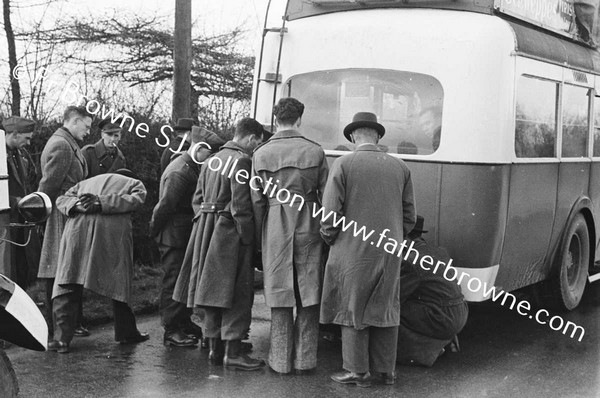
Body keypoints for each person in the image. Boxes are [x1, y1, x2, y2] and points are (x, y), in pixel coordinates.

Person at [320, 111, 416, 387]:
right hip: (390, 248)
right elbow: (409, 215)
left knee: (352, 305)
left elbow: (330, 214)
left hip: (351, 248)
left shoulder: (343, 165)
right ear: (378, 137)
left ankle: (356, 370)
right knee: (385, 306)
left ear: (352, 137)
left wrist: (330, 239)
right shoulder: (400, 167)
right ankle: (386, 371)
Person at [173, 118, 265, 370]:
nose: (256, 146)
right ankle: (232, 353)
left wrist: (204, 220)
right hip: (230, 232)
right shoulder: (242, 160)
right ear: (250, 138)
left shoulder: (212, 158)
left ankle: (214, 349)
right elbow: (242, 206)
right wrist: (249, 238)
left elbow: (197, 199)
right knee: (236, 292)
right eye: (257, 141)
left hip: (205, 229)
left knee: (211, 290)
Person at [251, 97, 329, 374]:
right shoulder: (315, 151)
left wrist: (262, 234)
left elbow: (257, 200)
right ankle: (305, 360)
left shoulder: (260, 154)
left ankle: (280, 361)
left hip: (274, 223)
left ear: (276, 120)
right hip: (309, 219)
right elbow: (327, 196)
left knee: (279, 292)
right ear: (299, 119)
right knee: (309, 291)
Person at [49, 169, 149, 353]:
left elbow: (61, 200)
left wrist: (78, 205)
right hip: (111, 233)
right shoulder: (134, 183)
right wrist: (102, 203)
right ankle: (127, 333)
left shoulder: (85, 183)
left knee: (68, 280)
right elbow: (137, 198)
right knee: (119, 282)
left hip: (77, 230)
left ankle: (61, 339)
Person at [150, 128, 213, 348]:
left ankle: (182, 322)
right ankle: (171, 329)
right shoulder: (180, 171)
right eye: (209, 153)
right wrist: (156, 231)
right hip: (173, 234)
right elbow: (165, 206)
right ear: (199, 149)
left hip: (180, 232)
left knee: (182, 280)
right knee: (173, 280)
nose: (211, 159)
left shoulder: (190, 166)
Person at [37, 106, 91, 338]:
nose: (88, 132)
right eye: (86, 126)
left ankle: (68, 323)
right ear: (75, 121)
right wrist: (43, 214)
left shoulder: (67, 142)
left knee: (63, 267)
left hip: (67, 211)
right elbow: (48, 186)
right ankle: (58, 325)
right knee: (59, 268)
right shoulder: (61, 144)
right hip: (61, 213)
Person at [397, 216, 468, 367]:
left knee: (390, 310)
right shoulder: (438, 250)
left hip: (442, 317)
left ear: (405, 236)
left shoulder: (412, 259)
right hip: (460, 311)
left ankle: (427, 352)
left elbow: (396, 295)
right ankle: (446, 343)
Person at [0, 116, 41, 289]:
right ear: (15, 134)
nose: (29, 143)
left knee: (20, 268)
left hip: (17, 222)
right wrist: (18, 202)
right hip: (4, 223)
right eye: (27, 138)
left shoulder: (19, 156)